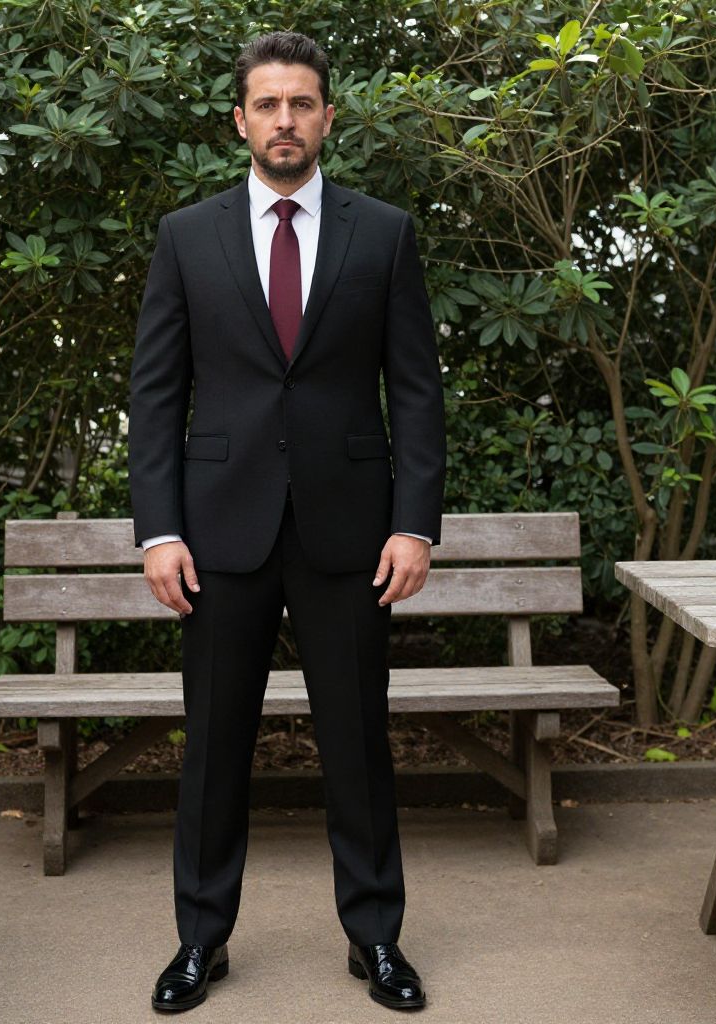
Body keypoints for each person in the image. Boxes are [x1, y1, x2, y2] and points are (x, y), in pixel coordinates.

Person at [128, 29, 446, 1013]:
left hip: (352, 533)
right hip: (217, 535)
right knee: (214, 745)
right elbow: (156, 393)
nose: (283, 120)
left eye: (300, 103)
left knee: (357, 741)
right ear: (239, 120)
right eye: (266, 104)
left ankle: (376, 938)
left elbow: (417, 393)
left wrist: (415, 524)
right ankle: (199, 941)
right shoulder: (187, 235)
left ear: (327, 118)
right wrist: (158, 529)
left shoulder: (382, 232)